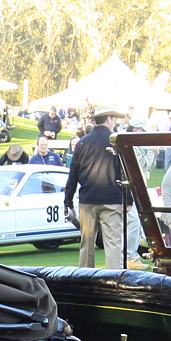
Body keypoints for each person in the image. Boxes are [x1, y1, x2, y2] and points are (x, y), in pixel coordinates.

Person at [63, 110, 127, 269]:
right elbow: (126, 172)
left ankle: (85, 281)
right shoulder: (116, 141)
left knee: (87, 243)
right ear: (109, 119)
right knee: (113, 244)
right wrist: (129, 198)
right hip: (112, 198)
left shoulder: (83, 143)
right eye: (114, 120)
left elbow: (73, 174)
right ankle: (114, 281)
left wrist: (68, 201)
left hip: (88, 199)